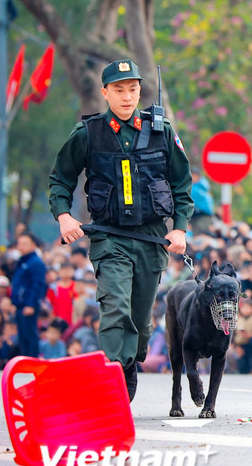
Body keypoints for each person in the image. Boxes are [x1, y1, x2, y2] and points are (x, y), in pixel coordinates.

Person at [48, 59, 194, 401]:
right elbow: (61, 179)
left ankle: (128, 363)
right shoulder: (88, 133)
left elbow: (181, 184)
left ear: (140, 90)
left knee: (141, 323)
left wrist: (181, 229)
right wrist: (63, 216)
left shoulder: (162, 131)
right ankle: (111, 380)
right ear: (105, 92)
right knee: (115, 306)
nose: (126, 97)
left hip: (151, 238)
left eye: (132, 89)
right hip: (109, 237)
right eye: (118, 89)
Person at [11, 232, 47, 357]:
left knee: (30, 336)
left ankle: (32, 362)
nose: (21, 247)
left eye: (24, 244)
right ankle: (25, 362)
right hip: (20, 305)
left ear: (33, 245)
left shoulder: (36, 262)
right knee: (22, 336)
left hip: (29, 306)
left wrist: (31, 304)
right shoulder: (22, 261)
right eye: (19, 244)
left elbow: (37, 286)